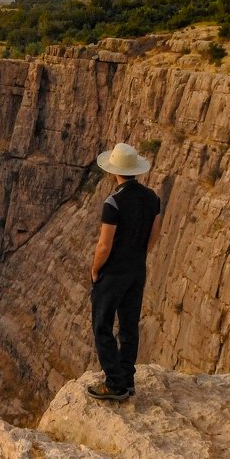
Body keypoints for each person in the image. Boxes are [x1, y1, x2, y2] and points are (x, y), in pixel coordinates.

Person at [87, 142, 161, 402]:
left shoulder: (113, 202)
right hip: (136, 271)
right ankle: (127, 380)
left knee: (102, 326)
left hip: (113, 274)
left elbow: (104, 245)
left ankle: (115, 383)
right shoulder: (152, 198)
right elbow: (154, 235)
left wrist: (95, 271)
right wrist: (138, 258)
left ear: (114, 170)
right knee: (129, 326)